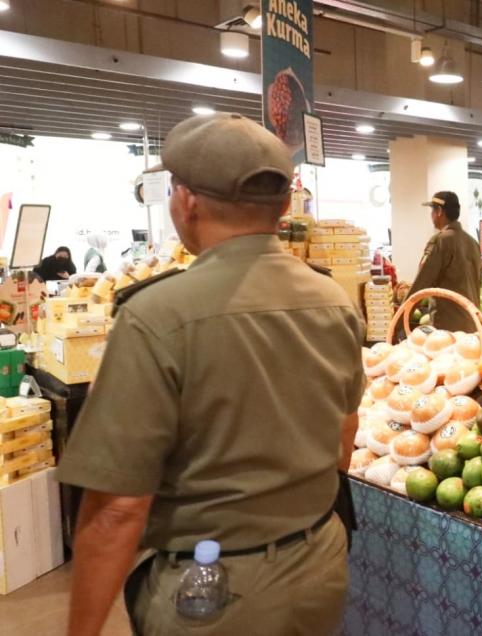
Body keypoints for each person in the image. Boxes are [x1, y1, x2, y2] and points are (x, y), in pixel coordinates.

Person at [56, 113, 364, 636]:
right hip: (319, 565)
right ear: (285, 205)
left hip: (213, 595)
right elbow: (344, 435)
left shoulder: (156, 315)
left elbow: (116, 510)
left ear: (187, 201)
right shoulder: (333, 301)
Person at [409, 191, 482, 333]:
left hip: (448, 327)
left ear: (439, 211)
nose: (431, 215)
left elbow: (421, 284)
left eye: (432, 210)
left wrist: (399, 321)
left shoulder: (440, 241)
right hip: (472, 324)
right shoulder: (473, 242)